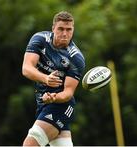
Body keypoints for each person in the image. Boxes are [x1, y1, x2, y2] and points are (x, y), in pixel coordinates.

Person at [22, 11, 85, 146]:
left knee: (32, 141)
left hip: (61, 105)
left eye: (69, 30)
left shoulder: (76, 58)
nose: (64, 33)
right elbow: (26, 68)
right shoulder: (39, 39)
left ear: (73, 30)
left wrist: (54, 97)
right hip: (42, 102)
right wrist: (46, 79)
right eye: (61, 29)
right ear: (53, 28)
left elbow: (68, 93)